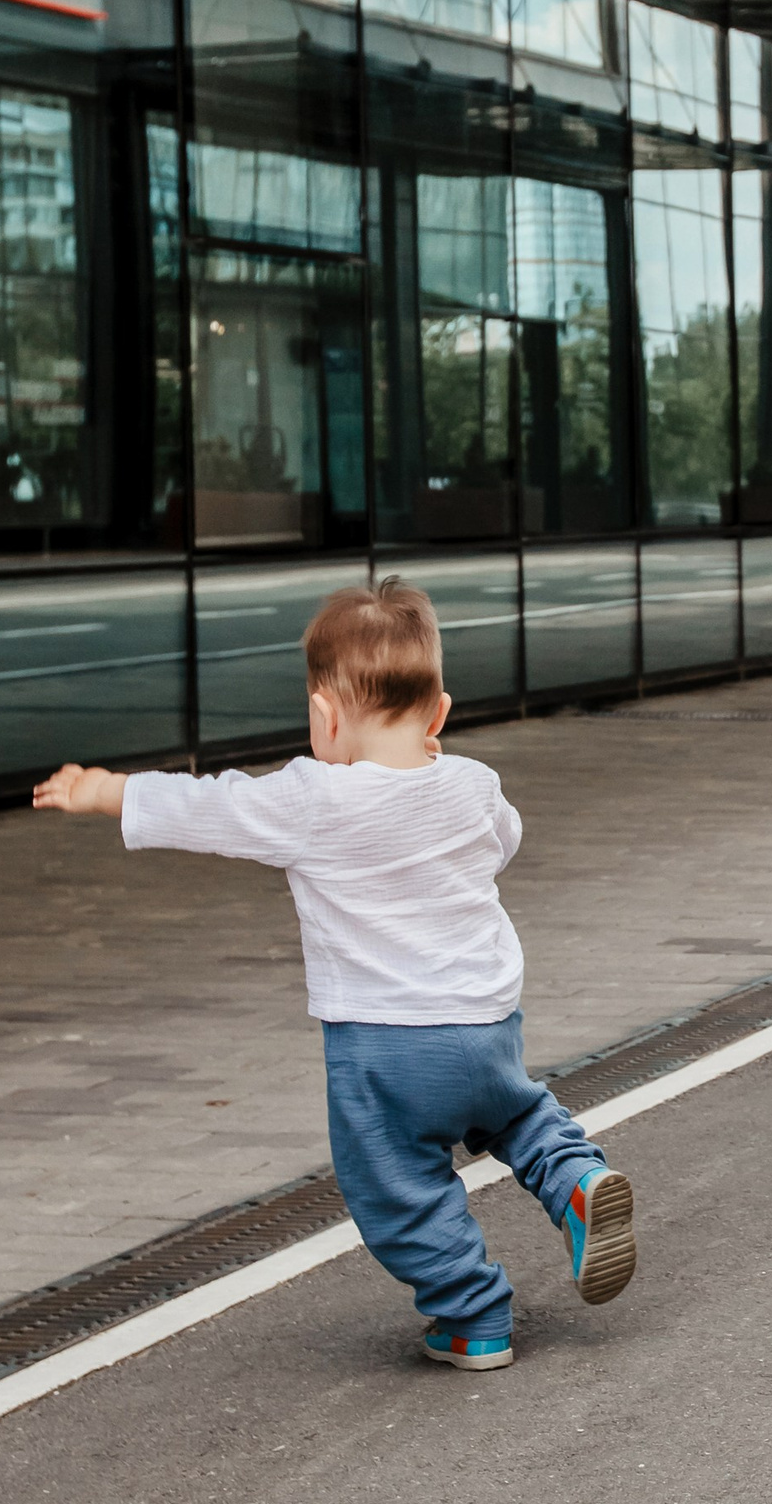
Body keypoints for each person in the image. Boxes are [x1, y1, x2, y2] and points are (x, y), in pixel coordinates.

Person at [32, 578, 634, 1372]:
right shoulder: (473, 783)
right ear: (440, 714)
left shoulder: (311, 797)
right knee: (518, 1116)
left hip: (384, 1047)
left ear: (324, 717)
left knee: (392, 1180)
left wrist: (106, 791)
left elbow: (210, 808)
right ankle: (578, 1182)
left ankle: (473, 1313)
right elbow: (504, 840)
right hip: (486, 1027)